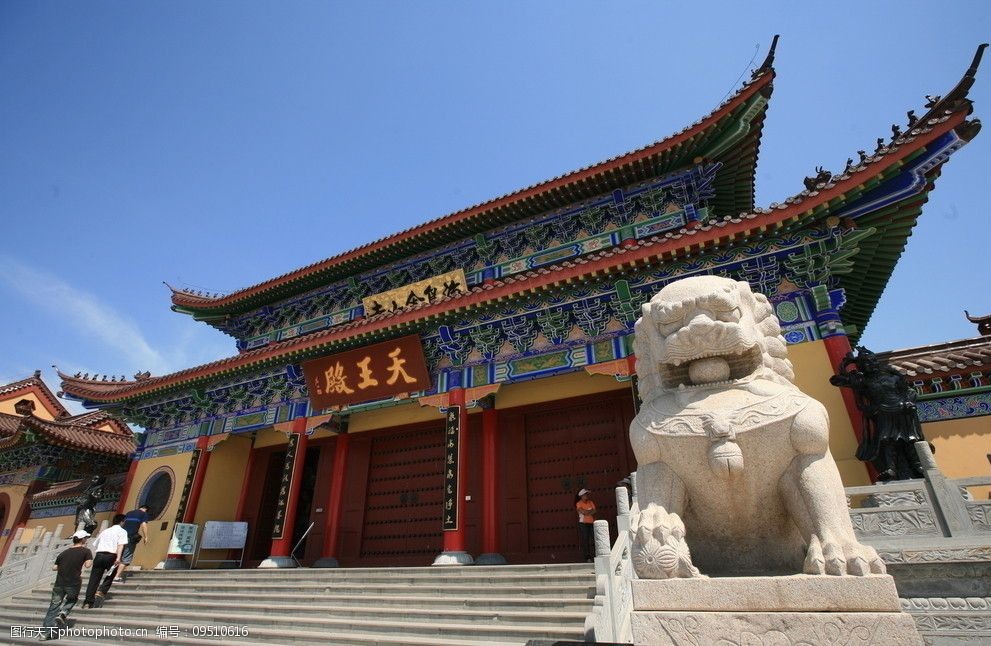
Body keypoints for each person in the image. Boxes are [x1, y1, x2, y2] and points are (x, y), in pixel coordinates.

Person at [40, 530, 93, 640]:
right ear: (83, 539)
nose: (86, 540)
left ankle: (45, 634)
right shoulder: (86, 551)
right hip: (73, 583)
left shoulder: (63, 553)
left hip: (59, 583)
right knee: (72, 600)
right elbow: (88, 565)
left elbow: (54, 567)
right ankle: (63, 613)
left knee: (53, 607)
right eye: (86, 538)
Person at [82, 514, 128, 609]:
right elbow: (120, 545)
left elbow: (96, 544)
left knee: (93, 579)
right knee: (111, 574)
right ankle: (102, 591)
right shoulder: (122, 531)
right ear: (122, 522)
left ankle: (88, 602)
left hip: (99, 556)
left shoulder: (105, 531)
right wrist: (118, 558)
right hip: (111, 556)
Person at [115, 504, 150, 583]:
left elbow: (123, 524)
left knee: (118, 556)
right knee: (126, 557)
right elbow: (144, 525)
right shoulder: (143, 514)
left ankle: (111, 575)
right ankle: (116, 577)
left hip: (121, 537)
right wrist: (146, 536)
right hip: (130, 537)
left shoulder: (129, 513)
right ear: (146, 509)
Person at [575, 488, 597, 562]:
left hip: (591, 523)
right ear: (581, 496)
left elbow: (594, 511)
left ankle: (596, 555)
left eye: (587, 494)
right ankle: (588, 557)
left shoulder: (590, 502)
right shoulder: (578, 503)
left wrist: (587, 512)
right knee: (586, 540)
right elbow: (583, 512)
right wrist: (588, 511)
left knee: (594, 539)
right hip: (583, 524)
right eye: (585, 494)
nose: (587, 496)